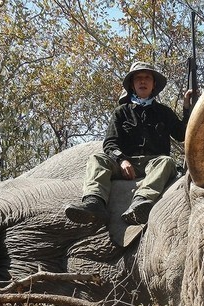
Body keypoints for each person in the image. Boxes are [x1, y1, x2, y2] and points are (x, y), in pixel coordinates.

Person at [65, 62, 192, 226]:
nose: (143, 81)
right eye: (138, 78)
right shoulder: (121, 112)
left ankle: (141, 202)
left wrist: (188, 107)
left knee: (166, 161)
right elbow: (110, 143)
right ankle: (94, 203)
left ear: (154, 85)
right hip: (125, 164)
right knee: (97, 159)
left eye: (147, 77)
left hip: (154, 165)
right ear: (132, 85)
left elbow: (182, 134)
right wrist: (121, 160)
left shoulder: (164, 112)